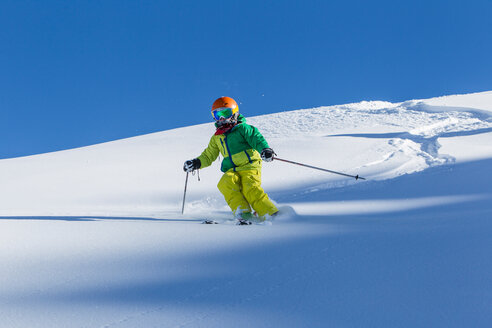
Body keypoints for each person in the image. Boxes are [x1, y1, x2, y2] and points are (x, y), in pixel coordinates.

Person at [183, 96, 278, 224]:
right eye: (217, 115)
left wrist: (265, 149)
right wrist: (196, 163)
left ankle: (271, 214)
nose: (221, 118)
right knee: (226, 182)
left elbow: (257, 139)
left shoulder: (243, 129)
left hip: (249, 166)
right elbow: (208, 155)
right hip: (232, 169)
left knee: (250, 188)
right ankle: (243, 213)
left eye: (225, 113)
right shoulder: (217, 137)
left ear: (234, 113)